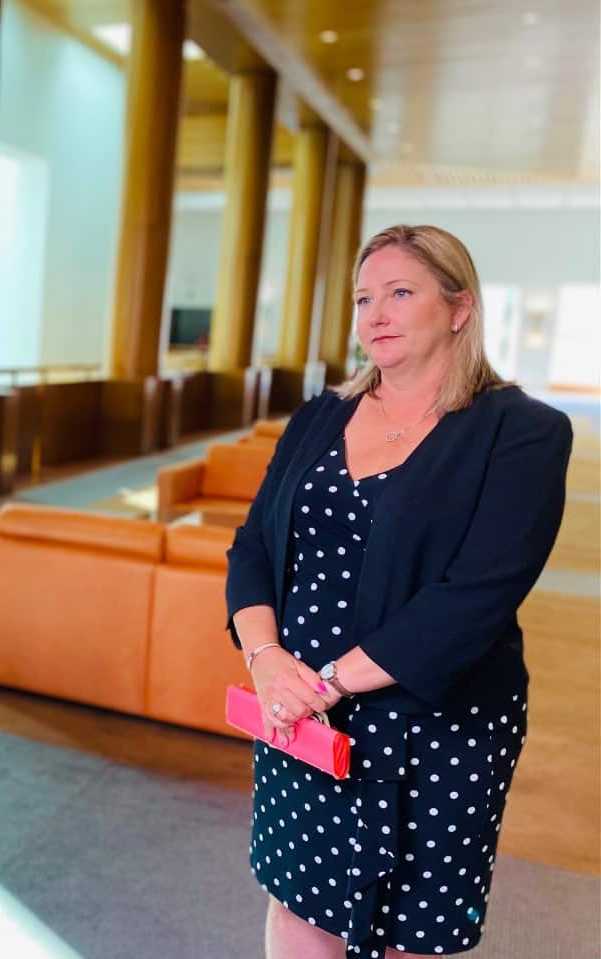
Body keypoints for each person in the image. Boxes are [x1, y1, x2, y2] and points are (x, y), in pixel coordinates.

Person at [226, 224, 572, 959]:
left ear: (458, 308)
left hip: (439, 730)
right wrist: (264, 659)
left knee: (413, 936)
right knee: (299, 902)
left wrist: (323, 681)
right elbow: (254, 544)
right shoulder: (320, 417)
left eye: (400, 292)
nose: (374, 312)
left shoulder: (522, 433)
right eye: (363, 297)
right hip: (304, 722)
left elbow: (476, 597)